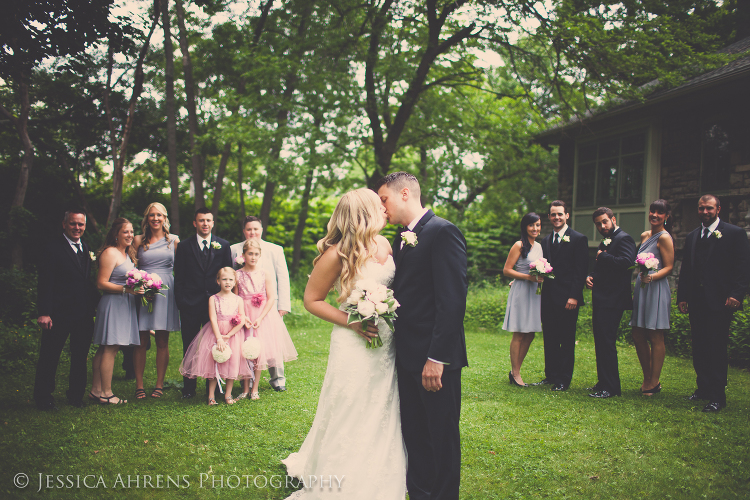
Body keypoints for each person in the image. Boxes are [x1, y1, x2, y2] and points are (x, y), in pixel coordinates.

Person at [282, 188, 405, 499]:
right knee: (351, 406)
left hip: (385, 341)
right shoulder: (336, 254)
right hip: (353, 341)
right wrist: (354, 321)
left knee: (382, 404)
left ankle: (379, 467)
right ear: (364, 213)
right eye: (379, 205)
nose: (385, 208)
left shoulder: (385, 243)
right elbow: (311, 300)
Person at [377, 172, 468, 500]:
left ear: (404, 194)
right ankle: (419, 493)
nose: (382, 208)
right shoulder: (403, 236)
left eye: (384, 200)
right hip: (406, 354)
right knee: (415, 433)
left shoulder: (442, 232)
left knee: (441, 436)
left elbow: (452, 301)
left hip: (434, 358)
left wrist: (436, 358)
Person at [677, 194, 750, 412]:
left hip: (721, 301)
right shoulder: (692, 236)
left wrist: (736, 294)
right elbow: (686, 270)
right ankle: (703, 389)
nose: (705, 212)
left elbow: (743, 267)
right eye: (701, 209)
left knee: (716, 347)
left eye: (709, 208)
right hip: (697, 301)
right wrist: (682, 296)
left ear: (718, 209)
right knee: (699, 346)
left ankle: (718, 396)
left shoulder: (734, 234)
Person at [34, 209, 99, 410]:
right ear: (64, 224)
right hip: (58, 313)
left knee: (80, 356)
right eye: (73, 224)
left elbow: (86, 282)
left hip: (83, 314)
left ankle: (75, 395)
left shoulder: (86, 248)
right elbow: (45, 282)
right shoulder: (52, 248)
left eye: (80, 224)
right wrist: (44, 312)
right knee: (50, 355)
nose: (77, 228)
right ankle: (43, 397)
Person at [174, 208, 233, 399]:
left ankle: (215, 386)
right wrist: (181, 302)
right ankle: (189, 388)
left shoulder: (223, 245)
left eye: (208, 220)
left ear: (213, 223)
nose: (205, 224)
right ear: (195, 223)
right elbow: (179, 277)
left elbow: (228, 275)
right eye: (201, 220)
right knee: (189, 345)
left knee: (216, 343)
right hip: (190, 304)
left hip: (216, 306)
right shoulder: (184, 246)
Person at [230, 215, 291, 391]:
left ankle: (278, 379)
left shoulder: (275, 249)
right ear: (244, 231)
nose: (252, 232)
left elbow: (283, 277)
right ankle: (246, 379)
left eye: (256, 229)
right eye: (249, 229)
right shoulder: (234, 249)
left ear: (261, 230)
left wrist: (283, 305)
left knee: (272, 342)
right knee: (245, 341)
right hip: (245, 305)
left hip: (269, 305)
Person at [533, 200, 588, 391]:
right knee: (550, 337)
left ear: (567, 216)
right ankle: (551, 375)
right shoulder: (546, 241)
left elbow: (580, 271)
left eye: (560, 214)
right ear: (549, 217)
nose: (556, 217)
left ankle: (563, 379)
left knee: (566, 339)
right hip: (548, 298)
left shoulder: (579, 239)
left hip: (567, 299)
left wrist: (574, 296)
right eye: (553, 214)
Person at [180, 267, 253, 405]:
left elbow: (242, 319)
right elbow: (213, 319)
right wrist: (219, 338)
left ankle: (228, 394)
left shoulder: (238, 299)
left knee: (233, 363)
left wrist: (229, 335)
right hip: (216, 333)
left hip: (233, 335)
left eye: (231, 279)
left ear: (235, 281)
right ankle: (211, 396)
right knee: (214, 363)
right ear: (218, 281)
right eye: (224, 279)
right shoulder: (213, 299)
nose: (227, 282)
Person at [90, 218, 143, 405]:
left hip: (124, 304)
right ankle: (106, 393)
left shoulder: (127, 254)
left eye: (131, 231)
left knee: (106, 347)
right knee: (110, 347)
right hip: (113, 303)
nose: (130, 235)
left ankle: (96, 390)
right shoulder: (110, 253)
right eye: (125, 232)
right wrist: (126, 290)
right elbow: (101, 283)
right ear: (116, 234)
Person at [585, 208, 636, 399]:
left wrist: (603, 256)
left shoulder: (624, 239)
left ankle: (611, 388)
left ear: (613, 219)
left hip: (613, 299)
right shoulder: (606, 240)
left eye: (605, 222)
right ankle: (603, 381)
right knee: (600, 341)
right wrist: (591, 276)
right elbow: (603, 267)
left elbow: (627, 262)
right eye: (598, 223)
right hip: (602, 297)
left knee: (607, 342)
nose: (602, 226)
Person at [133, 202, 180, 399]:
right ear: (147, 218)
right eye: (152, 215)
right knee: (141, 340)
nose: (155, 219)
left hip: (166, 290)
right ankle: (139, 385)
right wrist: (139, 286)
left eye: (159, 215)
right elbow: (131, 267)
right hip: (143, 290)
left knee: (162, 339)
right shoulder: (137, 240)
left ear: (165, 218)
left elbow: (182, 267)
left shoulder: (174, 241)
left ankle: (159, 385)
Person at [631, 199, 674, 396]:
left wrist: (652, 276)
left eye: (660, 213)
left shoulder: (664, 238)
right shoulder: (645, 235)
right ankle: (647, 377)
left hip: (656, 288)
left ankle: (655, 382)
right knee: (638, 334)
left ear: (666, 216)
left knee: (655, 334)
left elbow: (669, 267)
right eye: (652, 211)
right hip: (642, 287)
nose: (655, 215)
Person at [502, 212, 544, 387]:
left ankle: (515, 370)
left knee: (530, 333)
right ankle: (516, 373)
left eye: (538, 225)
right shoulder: (519, 245)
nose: (535, 228)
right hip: (521, 290)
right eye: (532, 225)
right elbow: (506, 270)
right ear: (525, 227)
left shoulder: (539, 246)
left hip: (534, 293)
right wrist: (526, 278)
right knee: (519, 332)